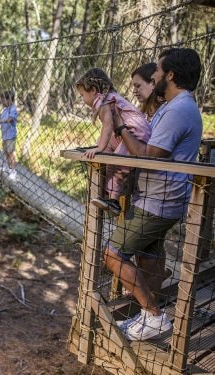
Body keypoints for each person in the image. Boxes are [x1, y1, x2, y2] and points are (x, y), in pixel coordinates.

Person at [105, 48, 203, 341]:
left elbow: (150, 155)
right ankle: (146, 316)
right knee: (148, 257)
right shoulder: (175, 106)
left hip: (158, 202)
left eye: (159, 71)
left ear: (170, 75)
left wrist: (121, 127)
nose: (155, 75)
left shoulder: (178, 109)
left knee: (112, 255)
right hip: (159, 199)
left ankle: (154, 317)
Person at [75, 68, 151, 215]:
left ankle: (114, 202)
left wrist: (99, 148)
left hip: (137, 134)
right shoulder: (108, 98)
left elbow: (108, 125)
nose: (82, 99)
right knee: (106, 149)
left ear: (93, 90)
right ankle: (105, 193)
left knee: (116, 164)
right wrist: (102, 146)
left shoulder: (102, 101)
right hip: (132, 132)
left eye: (82, 95)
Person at [0, 90, 18, 181]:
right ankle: (8, 167)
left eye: (3, 100)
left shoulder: (13, 109)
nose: (1, 102)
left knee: (11, 153)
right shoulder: (5, 109)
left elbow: (10, 119)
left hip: (10, 135)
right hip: (5, 135)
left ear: (9, 99)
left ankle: (13, 171)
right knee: (6, 152)